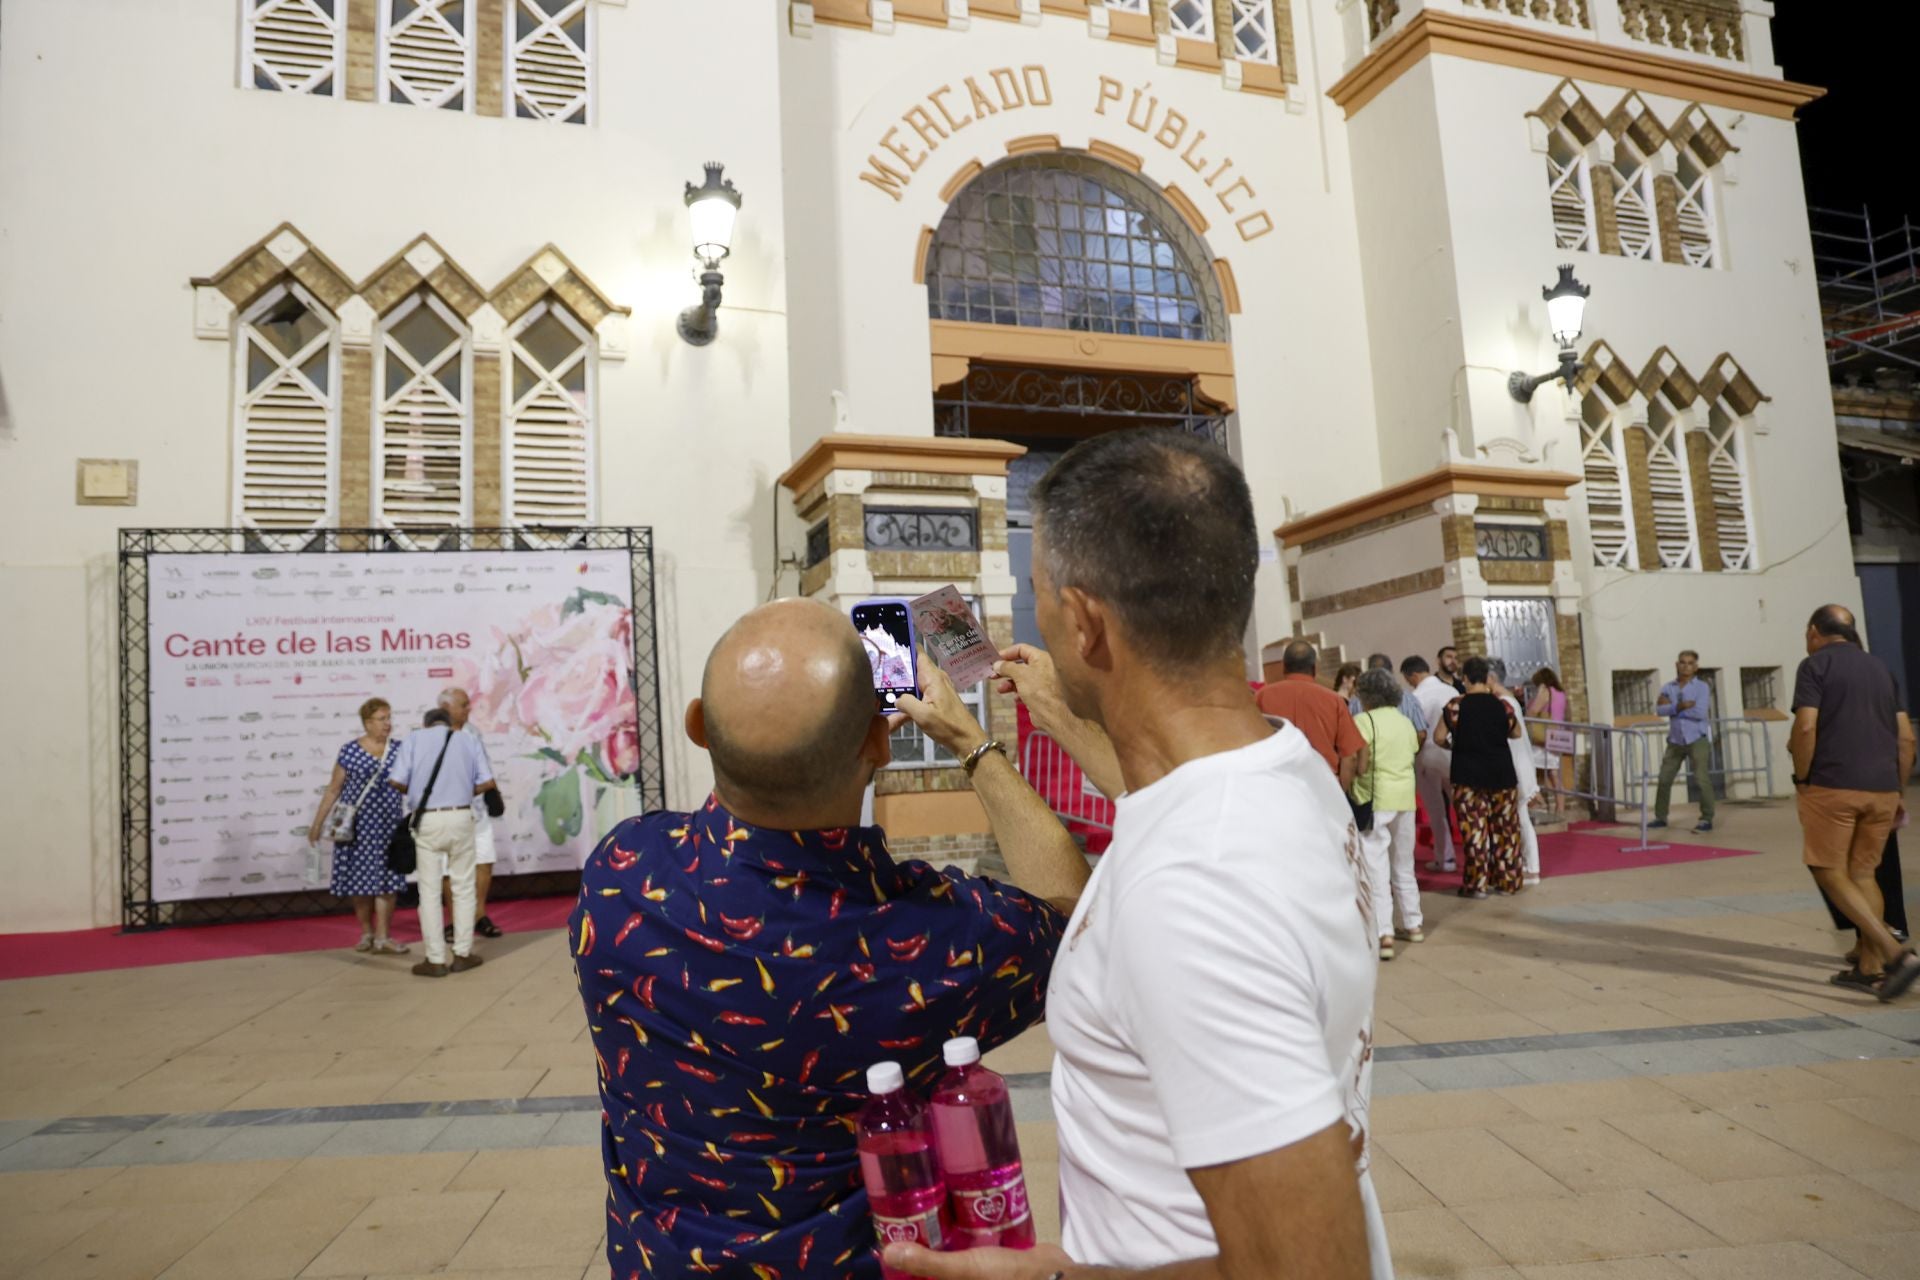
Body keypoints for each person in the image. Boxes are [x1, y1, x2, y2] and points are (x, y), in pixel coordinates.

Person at [894, 428, 1387, 1280]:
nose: (1035, 614)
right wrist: (1012, 734)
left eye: (1041, 591)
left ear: (1083, 621)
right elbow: (1152, 806)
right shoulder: (1277, 759)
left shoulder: (1193, 889)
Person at [568, 599, 1089, 1278]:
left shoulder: (620, 874)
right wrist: (972, 743)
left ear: (698, 725)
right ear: (879, 741)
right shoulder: (934, 945)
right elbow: (1075, 918)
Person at [1789, 604, 1919, 999]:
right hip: (1882, 788)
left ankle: (1895, 955)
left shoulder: (1814, 667)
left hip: (1834, 784)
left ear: (1814, 632)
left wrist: (1803, 777)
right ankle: (1869, 967)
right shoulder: (1881, 669)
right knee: (1864, 874)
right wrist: (1897, 791)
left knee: (1826, 869)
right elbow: (1907, 739)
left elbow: (1806, 725)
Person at [389, 705, 499, 977]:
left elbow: (396, 781)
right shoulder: (468, 739)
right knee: (463, 887)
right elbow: (487, 782)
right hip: (461, 816)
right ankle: (462, 953)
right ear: (450, 724)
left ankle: (435, 959)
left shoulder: (414, 739)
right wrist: (461, 789)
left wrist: (418, 789)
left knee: (428, 891)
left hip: (428, 819)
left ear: (427, 724)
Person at [305, 697, 410, 955]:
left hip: (388, 826)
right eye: (382, 719)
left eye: (389, 718)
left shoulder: (400, 749)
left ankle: (384, 937)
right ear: (367, 723)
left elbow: (413, 784)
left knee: (388, 882)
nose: (388, 724)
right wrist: (317, 823)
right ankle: (366, 933)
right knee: (359, 883)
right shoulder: (349, 751)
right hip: (356, 827)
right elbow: (333, 789)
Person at [1434, 656, 1523, 899]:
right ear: (1486, 679)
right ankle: (1508, 882)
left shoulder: (1455, 706)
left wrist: (1456, 745)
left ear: (1464, 679)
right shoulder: (1502, 706)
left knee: (1475, 831)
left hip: (1467, 775)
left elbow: (1438, 737)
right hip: (1501, 774)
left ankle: (1478, 885)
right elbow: (1516, 733)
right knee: (1506, 830)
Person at [1355, 668, 1423, 959]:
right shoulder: (1405, 722)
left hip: (1376, 798)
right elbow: (1413, 751)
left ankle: (1385, 932)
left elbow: (1360, 761)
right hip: (1405, 797)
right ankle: (1414, 923)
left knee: (1376, 866)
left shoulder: (1363, 720)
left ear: (1365, 696)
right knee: (1404, 864)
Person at [437, 687, 504, 943]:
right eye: (463, 705)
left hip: (477, 810)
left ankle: (479, 915)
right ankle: (455, 920)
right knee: (448, 868)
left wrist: (489, 790)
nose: (468, 709)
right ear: (446, 709)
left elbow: (484, 771)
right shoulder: (434, 737)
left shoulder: (473, 733)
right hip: (447, 813)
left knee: (484, 861)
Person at [1255, 640, 1368, 790]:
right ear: (1314, 668)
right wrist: (1341, 792)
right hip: (1323, 786)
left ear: (1284, 667)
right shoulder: (1334, 701)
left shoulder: (1261, 696)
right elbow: (1350, 756)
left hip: (1278, 785)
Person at [1489, 659, 1543, 887]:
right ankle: (1525, 864)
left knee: (1521, 819)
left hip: (1515, 767)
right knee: (1519, 819)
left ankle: (1531, 868)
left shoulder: (1504, 703)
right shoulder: (1509, 700)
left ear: (1490, 679)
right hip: (1517, 765)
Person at [1651, 650, 1717, 833]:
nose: (1685, 666)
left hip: (1696, 738)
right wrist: (1679, 706)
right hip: (1675, 740)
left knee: (1701, 778)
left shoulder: (1701, 687)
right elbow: (1660, 710)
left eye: (1689, 663)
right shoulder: (1668, 687)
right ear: (1676, 664)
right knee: (1664, 778)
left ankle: (1706, 818)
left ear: (1696, 667)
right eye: (1682, 662)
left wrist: (1672, 708)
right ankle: (1660, 816)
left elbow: (1700, 713)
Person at [1404, 655, 1458, 873]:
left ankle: (1445, 858)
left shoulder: (1415, 696)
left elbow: (1414, 730)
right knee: (1461, 806)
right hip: (1453, 752)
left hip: (1427, 754)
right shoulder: (1451, 691)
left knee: (1437, 810)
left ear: (1413, 676)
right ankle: (1477, 852)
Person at [1527, 666, 1571, 814]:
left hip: (1543, 738)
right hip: (1557, 737)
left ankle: (1538, 800)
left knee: (1529, 767)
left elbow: (1533, 711)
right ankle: (1560, 808)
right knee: (1554, 774)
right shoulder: (1560, 693)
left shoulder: (1545, 691)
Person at [1363, 652, 1429, 749]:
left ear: (1368, 672)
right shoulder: (1409, 699)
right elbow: (1421, 734)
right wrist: (1411, 753)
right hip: (1403, 760)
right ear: (1392, 672)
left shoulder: (1356, 701)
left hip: (1370, 760)